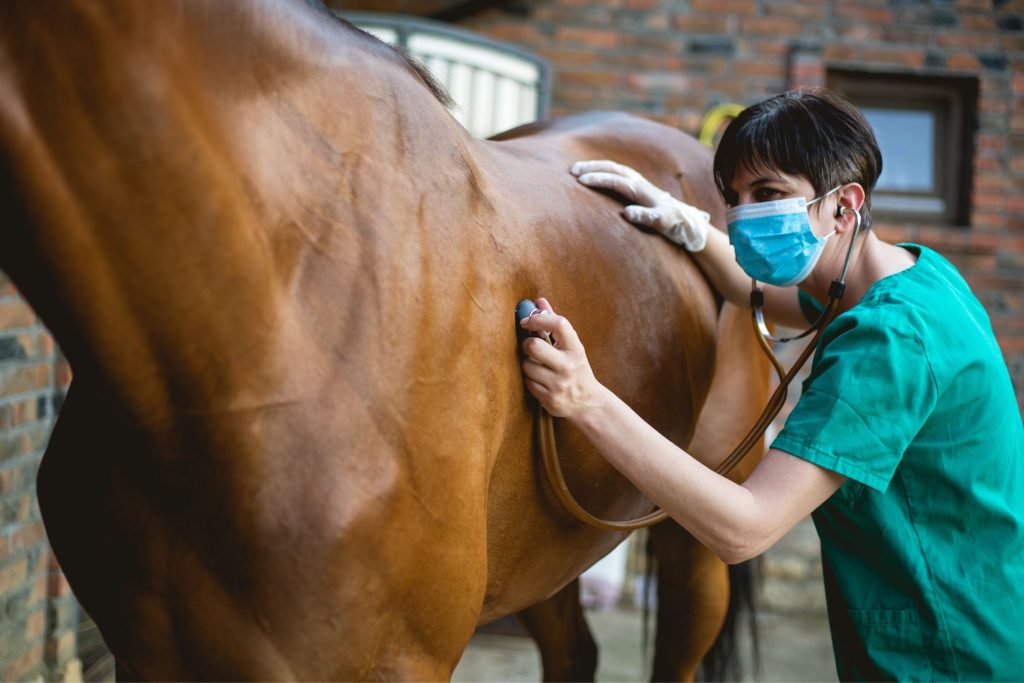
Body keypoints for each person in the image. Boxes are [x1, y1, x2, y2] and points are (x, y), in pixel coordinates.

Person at [519, 89, 1024, 681]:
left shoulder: (890, 345)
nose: (745, 215)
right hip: (982, 609)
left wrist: (587, 400)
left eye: (770, 194)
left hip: (944, 655)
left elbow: (744, 528)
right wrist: (685, 223)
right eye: (734, 198)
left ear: (844, 206)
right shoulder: (918, 275)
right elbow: (757, 291)